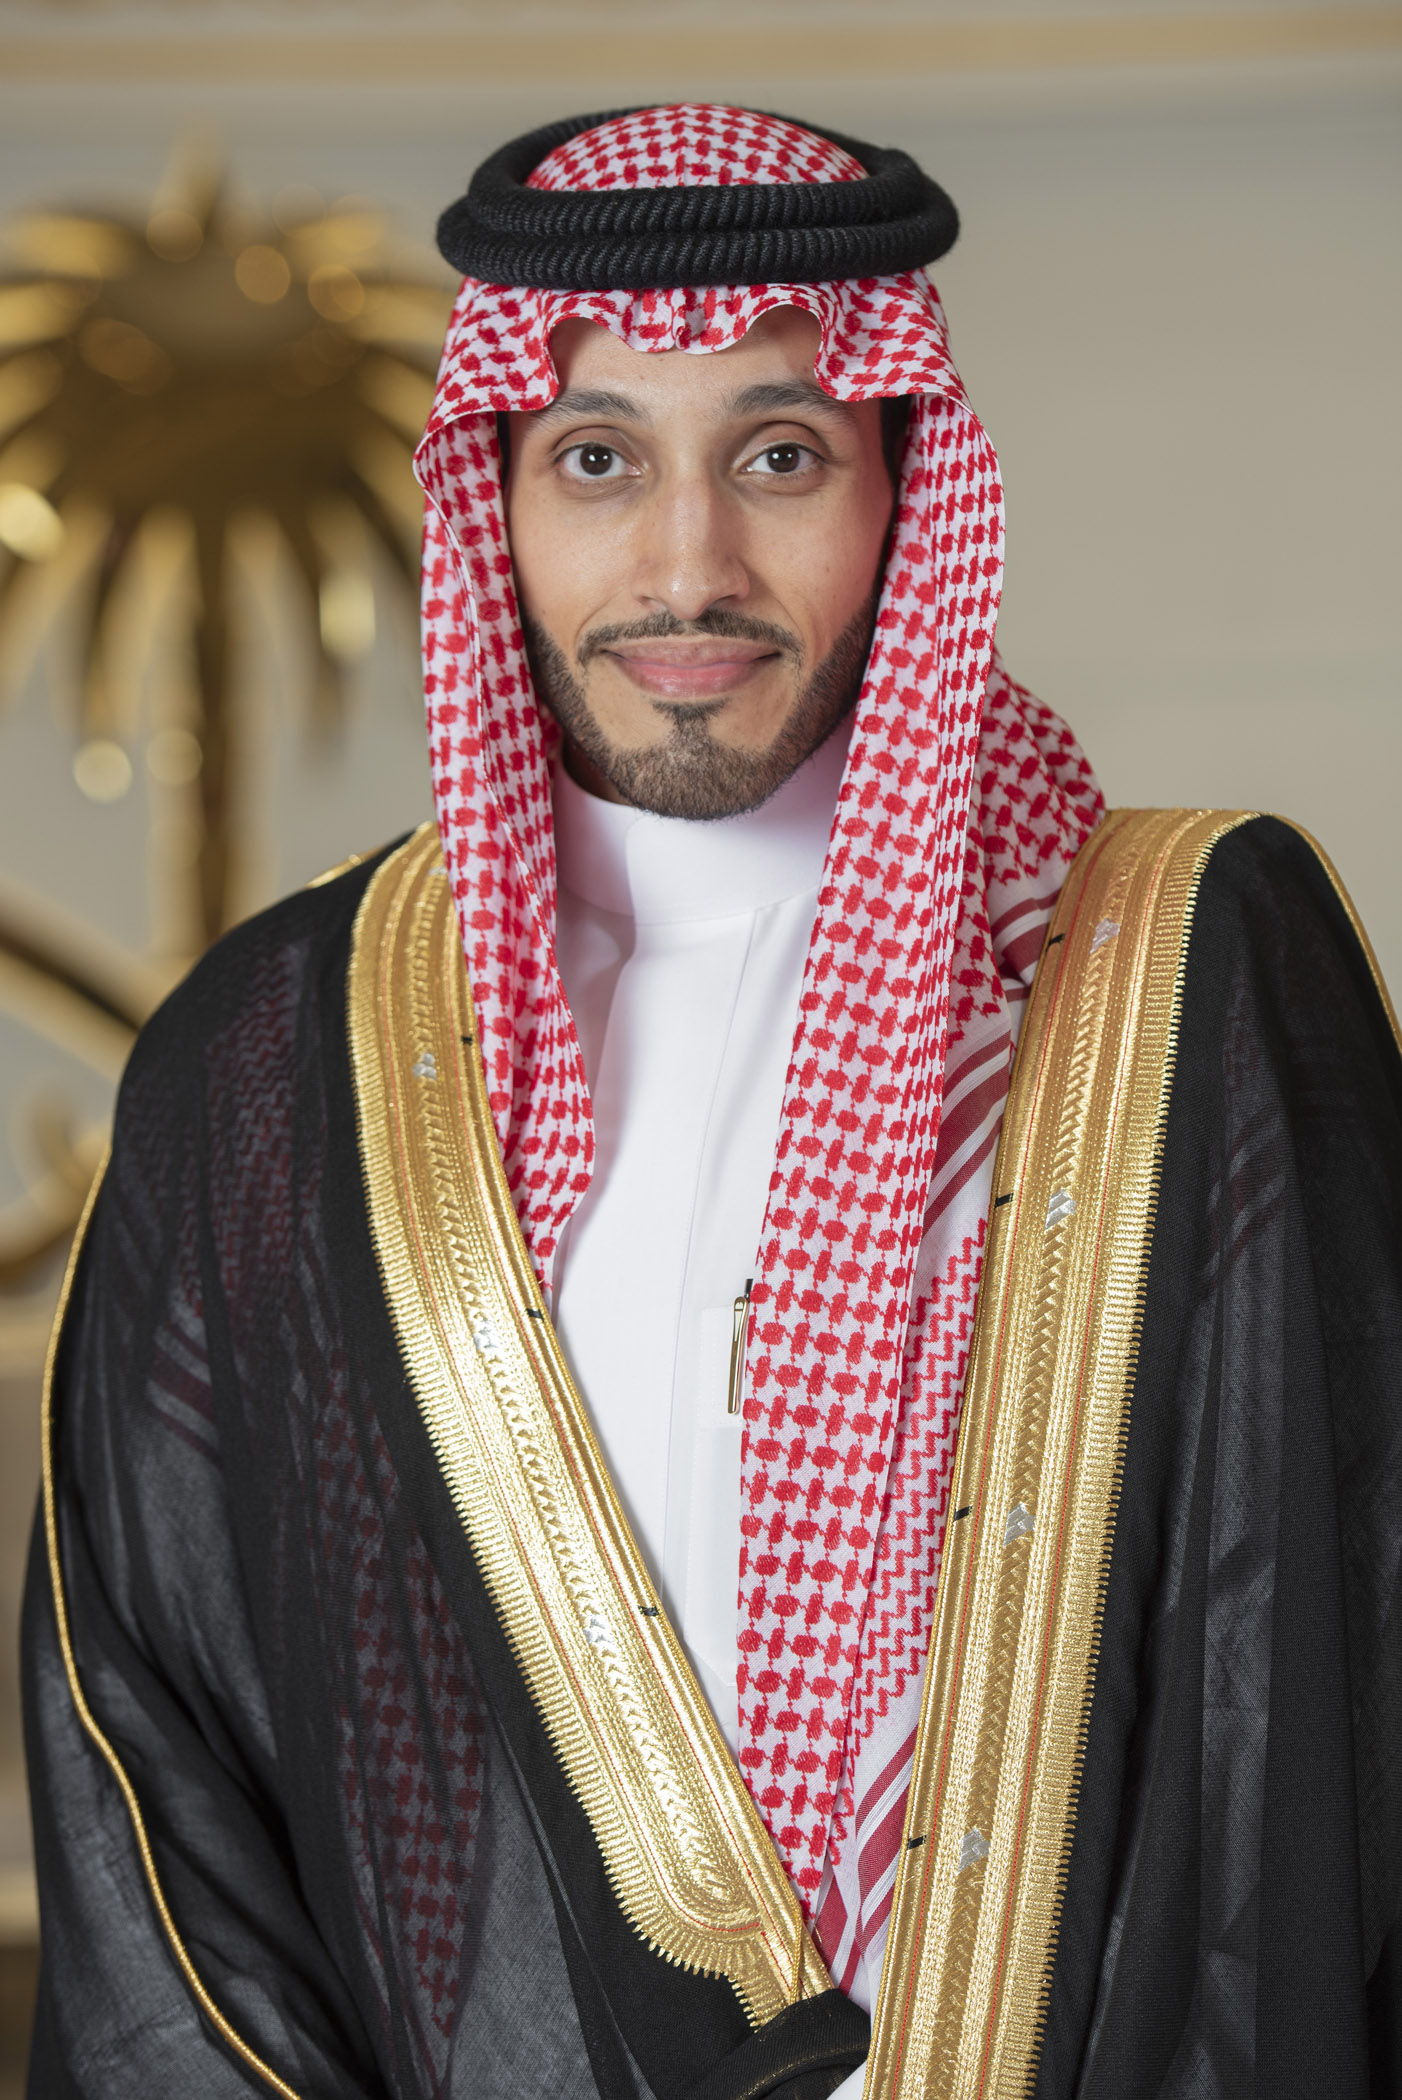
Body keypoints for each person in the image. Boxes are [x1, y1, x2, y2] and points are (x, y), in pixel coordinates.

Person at [22, 105, 1402, 2100]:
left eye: (777, 456)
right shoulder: (269, 1058)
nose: (687, 566)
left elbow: (1316, 1727)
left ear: (900, 488)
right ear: (495, 495)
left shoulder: (1187, 979)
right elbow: (159, 1797)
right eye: (598, 459)